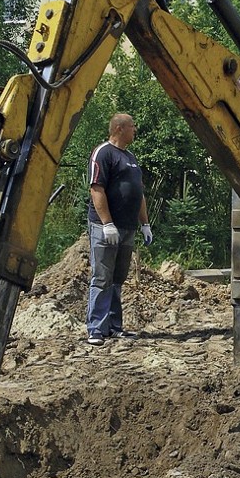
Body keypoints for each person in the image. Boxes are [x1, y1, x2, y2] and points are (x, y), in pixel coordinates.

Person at [86, 113, 153, 345]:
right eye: (132, 126)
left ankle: (114, 326)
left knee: (117, 279)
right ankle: (96, 328)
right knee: (102, 277)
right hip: (107, 228)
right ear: (119, 128)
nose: (135, 130)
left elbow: (138, 193)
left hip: (127, 227)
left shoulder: (131, 157)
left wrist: (145, 224)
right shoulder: (103, 153)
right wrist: (107, 223)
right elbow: (96, 189)